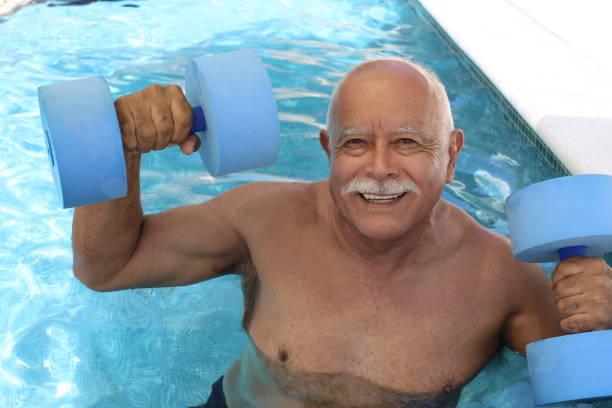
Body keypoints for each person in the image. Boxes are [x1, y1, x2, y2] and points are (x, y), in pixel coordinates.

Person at [72, 57, 612, 408]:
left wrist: (609, 318)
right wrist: (121, 149)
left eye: (407, 143)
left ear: (451, 156)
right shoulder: (262, 220)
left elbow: (587, 383)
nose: (379, 169)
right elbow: (108, 267)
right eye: (356, 143)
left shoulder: (503, 277)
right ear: (328, 150)